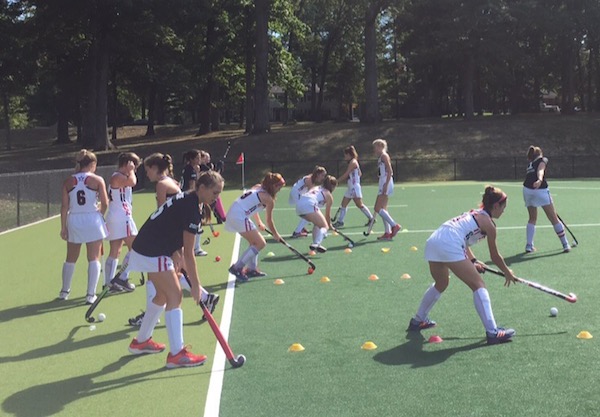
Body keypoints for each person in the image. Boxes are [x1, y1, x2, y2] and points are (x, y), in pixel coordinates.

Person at [127, 170, 225, 368]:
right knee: (176, 295)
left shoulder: (188, 199)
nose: (217, 197)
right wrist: (196, 287)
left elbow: (169, 225)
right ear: (202, 188)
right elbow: (190, 253)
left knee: (162, 296)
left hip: (148, 247)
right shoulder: (192, 208)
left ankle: (141, 342)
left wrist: (175, 250)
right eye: (215, 193)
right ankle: (177, 354)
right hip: (153, 251)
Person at [408, 186, 517, 345]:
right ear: (495, 206)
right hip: (449, 243)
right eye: (503, 207)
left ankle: (418, 320)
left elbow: (463, 239)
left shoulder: (474, 213)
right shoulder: (489, 224)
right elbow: (494, 256)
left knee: (442, 283)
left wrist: (473, 261)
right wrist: (507, 272)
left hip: (435, 240)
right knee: (479, 285)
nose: (504, 211)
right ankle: (493, 332)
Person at [127, 154, 218, 327]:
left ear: (155, 168)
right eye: (215, 193)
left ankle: (148, 335)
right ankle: (149, 334)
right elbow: (168, 220)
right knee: (166, 288)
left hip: (158, 245)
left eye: (147, 170)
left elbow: (163, 217)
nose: (146, 174)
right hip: (159, 245)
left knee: (169, 293)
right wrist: (177, 252)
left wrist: (178, 252)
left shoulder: (162, 185)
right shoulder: (174, 183)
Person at [59, 149, 109, 304]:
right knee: (94, 258)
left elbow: (64, 206)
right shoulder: (97, 180)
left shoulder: (68, 181)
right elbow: (105, 203)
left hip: (74, 219)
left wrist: (63, 227)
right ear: (92, 164)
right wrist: (100, 213)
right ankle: (90, 294)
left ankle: (64, 291)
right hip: (92, 219)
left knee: (70, 258)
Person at [225, 172, 286, 281]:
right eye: (279, 187)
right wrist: (276, 234)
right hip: (239, 215)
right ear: (274, 186)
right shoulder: (268, 199)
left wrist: (259, 222)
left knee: (254, 242)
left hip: (235, 212)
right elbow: (269, 220)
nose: (279, 190)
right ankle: (237, 267)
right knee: (260, 243)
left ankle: (252, 269)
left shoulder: (258, 187)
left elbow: (253, 206)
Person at [103, 152, 141, 292]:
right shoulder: (118, 177)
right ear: (127, 164)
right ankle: (122, 277)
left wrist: (130, 171)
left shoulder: (119, 176)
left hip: (117, 216)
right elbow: (132, 182)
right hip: (122, 217)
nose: (135, 169)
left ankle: (110, 283)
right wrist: (130, 170)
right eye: (133, 166)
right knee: (136, 248)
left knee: (116, 251)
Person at [522, 146, 571, 253]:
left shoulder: (530, 164)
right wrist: (540, 180)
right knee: (553, 218)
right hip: (540, 190)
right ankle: (565, 244)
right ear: (540, 154)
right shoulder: (542, 160)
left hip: (527, 190)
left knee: (532, 218)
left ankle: (529, 245)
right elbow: (541, 170)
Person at [332, 146, 374, 229]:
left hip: (354, 187)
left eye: (345, 155)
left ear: (349, 154)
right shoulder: (354, 162)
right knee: (343, 204)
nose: (345, 157)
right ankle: (340, 221)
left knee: (359, 204)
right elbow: (360, 173)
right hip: (351, 186)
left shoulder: (353, 162)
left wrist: (336, 181)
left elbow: (346, 174)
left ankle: (371, 219)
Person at [296, 175, 338, 253]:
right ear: (332, 186)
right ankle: (317, 243)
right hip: (309, 204)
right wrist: (329, 225)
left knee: (317, 224)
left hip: (299, 206)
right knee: (324, 226)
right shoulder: (328, 194)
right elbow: (327, 215)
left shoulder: (316, 188)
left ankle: (316, 243)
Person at [372, 139, 401, 240]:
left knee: (377, 208)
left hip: (385, 183)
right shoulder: (381, 157)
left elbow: (390, 171)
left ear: (380, 146)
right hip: (383, 182)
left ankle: (394, 225)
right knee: (383, 209)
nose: (374, 149)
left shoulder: (384, 156)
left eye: (375, 147)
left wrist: (385, 185)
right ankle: (387, 232)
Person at [181, 149, 207, 256]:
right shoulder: (190, 170)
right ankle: (196, 248)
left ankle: (193, 247)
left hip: (185, 197)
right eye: (197, 158)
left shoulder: (190, 168)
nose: (199, 160)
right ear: (191, 159)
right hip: (190, 198)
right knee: (195, 222)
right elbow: (192, 186)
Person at [288, 166, 327, 238]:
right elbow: (310, 194)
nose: (323, 177)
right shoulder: (310, 180)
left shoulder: (312, 178)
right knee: (309, 211)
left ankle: (301, 228)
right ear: (318, 174)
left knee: (308, 211)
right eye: (322, 175)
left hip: (298, 192)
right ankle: (297, 231)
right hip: (297, 193)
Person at [200, 151, 227, 224]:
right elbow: (212, 176)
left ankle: (220, 217)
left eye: (208, 157)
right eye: (206, 157)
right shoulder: (201, 167)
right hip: (206, 189)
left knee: (214, 202)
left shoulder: (208, 166)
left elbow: (215, 176)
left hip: (210, 187)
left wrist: (219, 168)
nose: (208, 159)